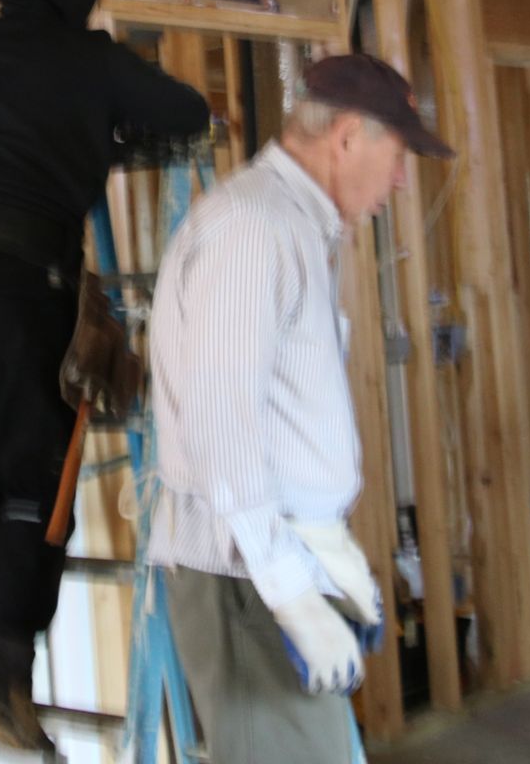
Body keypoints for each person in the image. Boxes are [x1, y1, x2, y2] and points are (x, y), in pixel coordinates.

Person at [0, 0, 209, 754]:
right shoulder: (88, 60)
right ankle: (0, 664)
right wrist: (111, 129)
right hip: (17, 281)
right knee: (34, 478)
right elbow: (190, 114)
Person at [146, 54, 453, 763]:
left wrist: (321, 540)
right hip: (244, 577)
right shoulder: (255, 227)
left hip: (269, 560)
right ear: (348, 137)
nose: (403, 180)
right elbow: (222, 421)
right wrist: (286, 582)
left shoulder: (294, 225)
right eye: (399, 155)